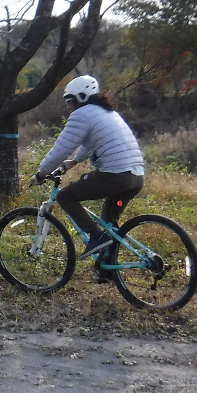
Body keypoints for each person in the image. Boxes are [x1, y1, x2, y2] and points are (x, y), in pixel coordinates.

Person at [33, 76, 144, 276]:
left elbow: (61, 148)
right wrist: (75, 161)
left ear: (81, 97)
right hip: (135, 177)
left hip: (116, 175)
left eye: (69, 101)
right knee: (110, 224)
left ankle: (95, 236)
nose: (68, 106)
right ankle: (108, 269)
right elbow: (88, 142)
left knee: (65, 196)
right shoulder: (106, 112)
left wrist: (42, 172)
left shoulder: (82, 114)